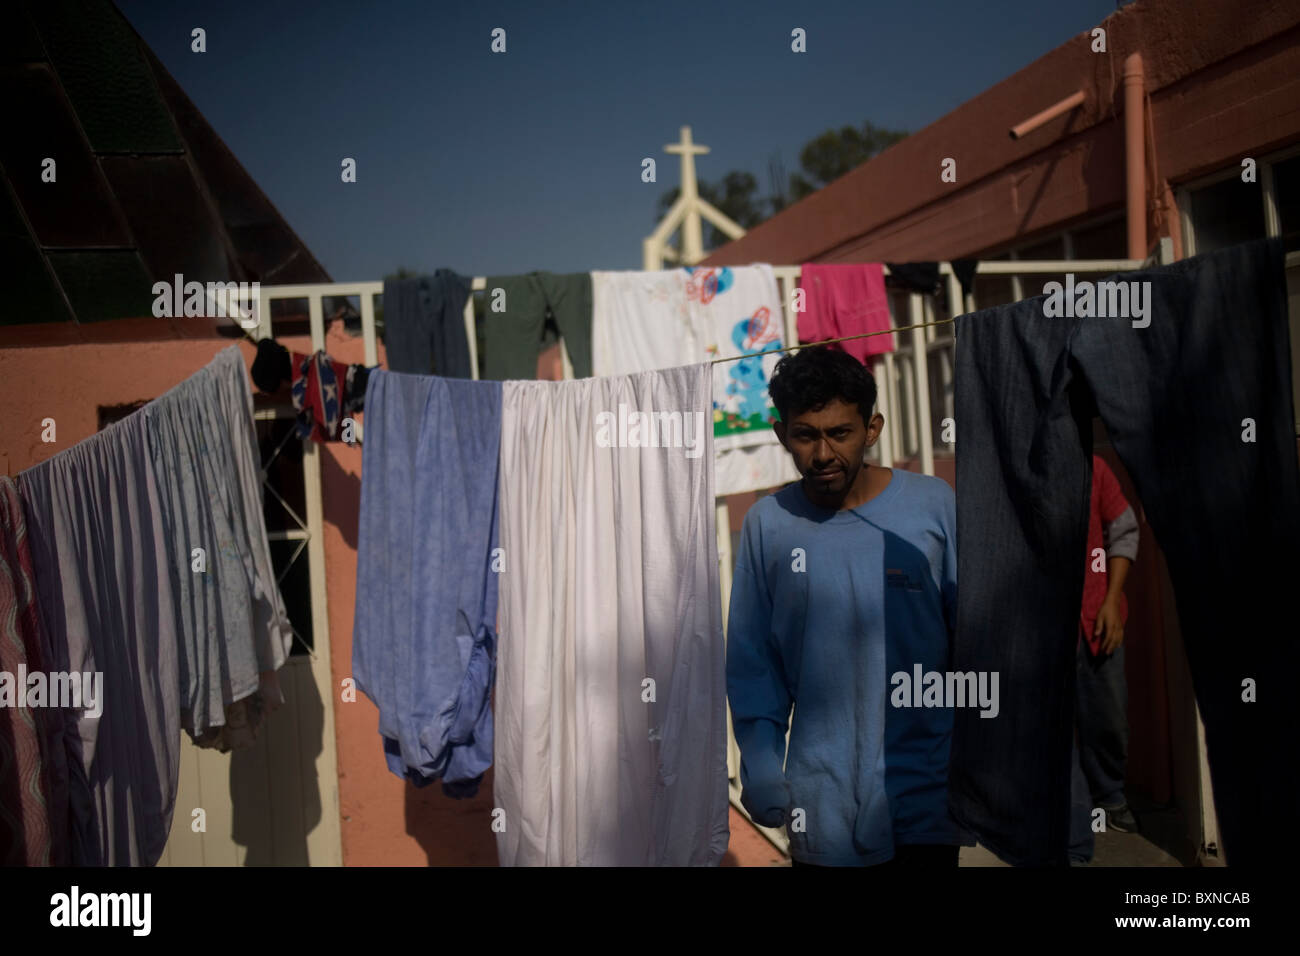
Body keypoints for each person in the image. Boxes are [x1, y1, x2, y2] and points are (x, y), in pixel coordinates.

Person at [725, 345, 969, 867]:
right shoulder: (768, 524)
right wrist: (763, 761)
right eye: (805, 435)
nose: (822, 454)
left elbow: (972, 638)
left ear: (872, 428)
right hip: (822, 801)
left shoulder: (933, 504)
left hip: (925, 790)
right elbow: (753, 660)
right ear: (781, 434)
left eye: (840, 433)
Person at [1068, 454, 1140, 865]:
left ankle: (1111, 798)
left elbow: (1124, 530)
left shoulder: (1094, 469)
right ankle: (1071, 815)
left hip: (1099, 621)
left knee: (1108, 718)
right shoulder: (1020, 470)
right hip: (1042, 628)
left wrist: (1112, 599)